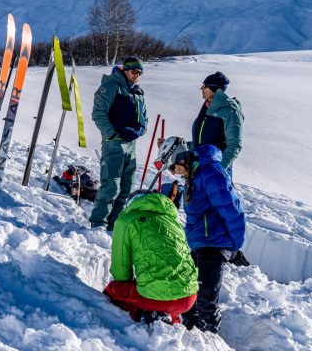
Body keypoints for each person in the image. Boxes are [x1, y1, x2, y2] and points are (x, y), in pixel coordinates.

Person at [170, 143, 248, 333]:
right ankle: (191, 337)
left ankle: (209, 341)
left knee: (205, 301)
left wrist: (234, 247)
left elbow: (232, 210)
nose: (174, 172)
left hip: (215, 244)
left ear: (184, 159)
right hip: (200, 245)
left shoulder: (211, 173)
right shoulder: (195, 175)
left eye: (174, 167)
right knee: (189, 295)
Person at [103, 190, 198, 324]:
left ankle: (142, 315)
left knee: (114, 290)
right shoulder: (173, 222)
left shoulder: (126, 221)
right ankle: (171, 319)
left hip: (154, 298)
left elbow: (121, 271)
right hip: (188, 297)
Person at [90, 56, 148, 230]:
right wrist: (112, 134)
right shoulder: (110, 87)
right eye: (133, 71)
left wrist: (140, 131)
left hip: (131, 145)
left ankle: (115, 224)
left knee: (126, 187)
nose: (136, 76)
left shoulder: (137, 93)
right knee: (111, 185)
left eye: (139, 73)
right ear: (124, 70)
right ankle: (98, 223)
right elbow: (98, 113)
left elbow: (145, 118)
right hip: (114, 143)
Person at [192, 72, 244, 173]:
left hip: (216, 171)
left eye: (204, 86)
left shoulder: (230, 111)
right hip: (200, 166)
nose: (201, 88)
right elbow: (202, 141)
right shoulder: (207, 108)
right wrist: (177, 145)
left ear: (214, 89)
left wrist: (218, 169)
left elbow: (234, 145)